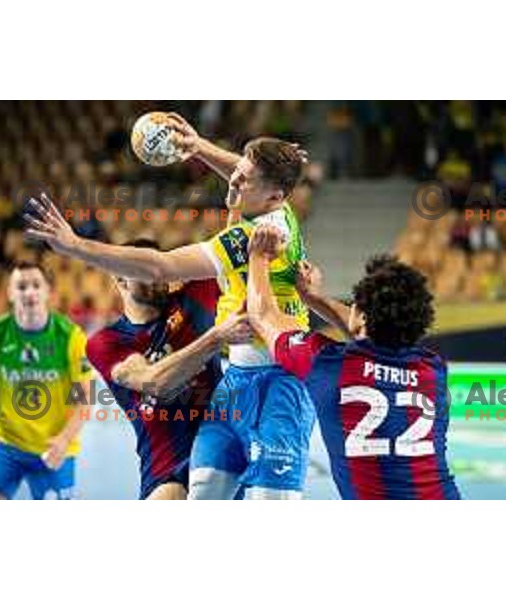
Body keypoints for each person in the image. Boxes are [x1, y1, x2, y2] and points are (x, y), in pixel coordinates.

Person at [24, 116, 314, 499]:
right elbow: (248, 177)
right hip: (231, 388)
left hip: (278, 378)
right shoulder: (272, 210)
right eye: (238, 171)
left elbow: (160, 265)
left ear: (275, 196)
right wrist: (198, 146)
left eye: (246, 178)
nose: (235, 180)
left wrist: (76, 247)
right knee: (204, 491)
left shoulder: (253, 239)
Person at [247, 226, 461, 499]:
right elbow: (375, 330)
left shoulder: (326, 364)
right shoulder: (433, 371)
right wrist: (314, 299)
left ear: (360, 315)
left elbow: (262, 314)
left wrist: (258, 256)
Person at [86, 239, 252, 500]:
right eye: (145, 271)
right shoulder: (107, 342)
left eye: (159, 267)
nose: (158, 276)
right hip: (167, 469)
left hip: (222, 453)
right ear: (120, 279)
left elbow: (232, 256)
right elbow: (155, 382)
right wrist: (215, 338)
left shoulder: (195, 297)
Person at [0, 261, 93, 499]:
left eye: (36, 285)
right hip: (7, 445)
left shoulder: (72, 338)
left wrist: (64, 440)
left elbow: (84, 401)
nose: (29, 292)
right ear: (10, 294)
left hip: (55, 449)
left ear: (48, 292)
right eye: (21, 286)